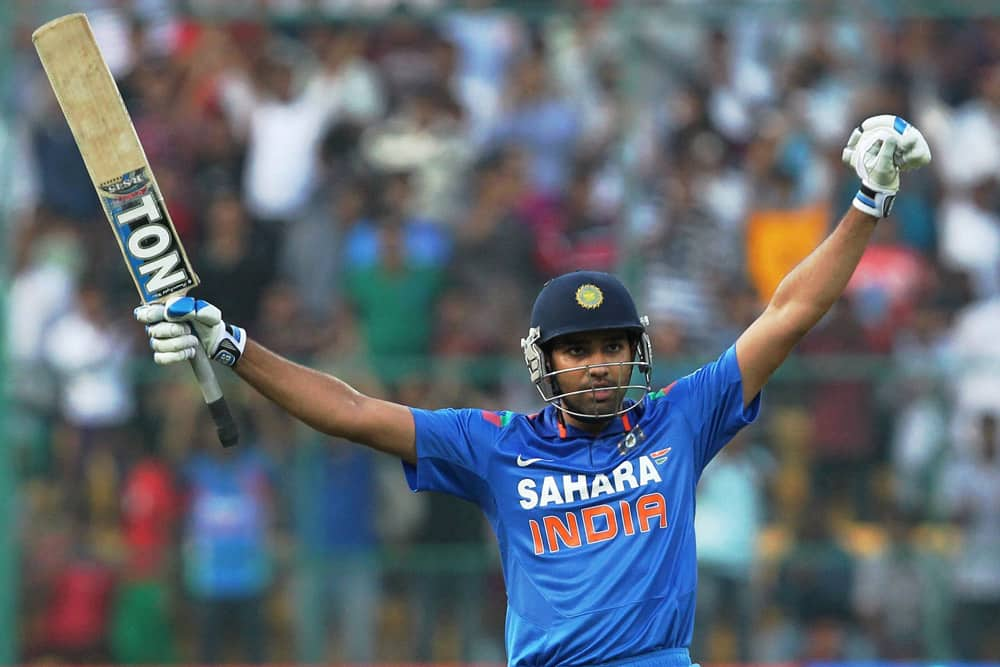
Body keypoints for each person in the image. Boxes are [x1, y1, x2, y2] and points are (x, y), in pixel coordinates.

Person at [134, 115, 930, 666]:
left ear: (635, 354)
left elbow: (788, 314)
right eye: (575, 350)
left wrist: (867, 202)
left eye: (611, 347)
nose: (596, 364)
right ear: (545, 361)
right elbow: (349, 411)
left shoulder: (680, 419)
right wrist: (235, 346)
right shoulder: (494, 445)